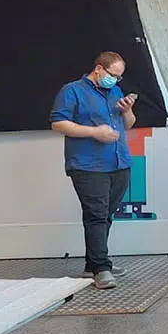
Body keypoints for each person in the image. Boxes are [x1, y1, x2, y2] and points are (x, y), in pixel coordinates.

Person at [50, 51, 137, 290]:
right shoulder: (72, 91)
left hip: (119, 161)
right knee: (97, 214)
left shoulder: (115, 92)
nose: (116, 81)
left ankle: (94, 263)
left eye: (119, 77)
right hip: (88, 164)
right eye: (112, 75)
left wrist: (127, 109)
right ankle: (101, 267)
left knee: (105, 214)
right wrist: (94, 132)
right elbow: (58, 123)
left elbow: (128, 124)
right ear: (99, 69)